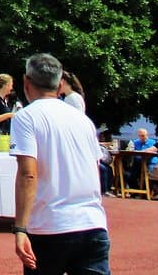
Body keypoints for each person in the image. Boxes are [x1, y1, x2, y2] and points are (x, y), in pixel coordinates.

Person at [11, 53, 109, 275]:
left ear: (26, 82)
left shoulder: (26, 117)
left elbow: (28, 174)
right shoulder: (83, 121)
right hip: (91, 223)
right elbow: (94, 168)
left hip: (50, 225)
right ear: (60, 84)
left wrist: (20, 227)